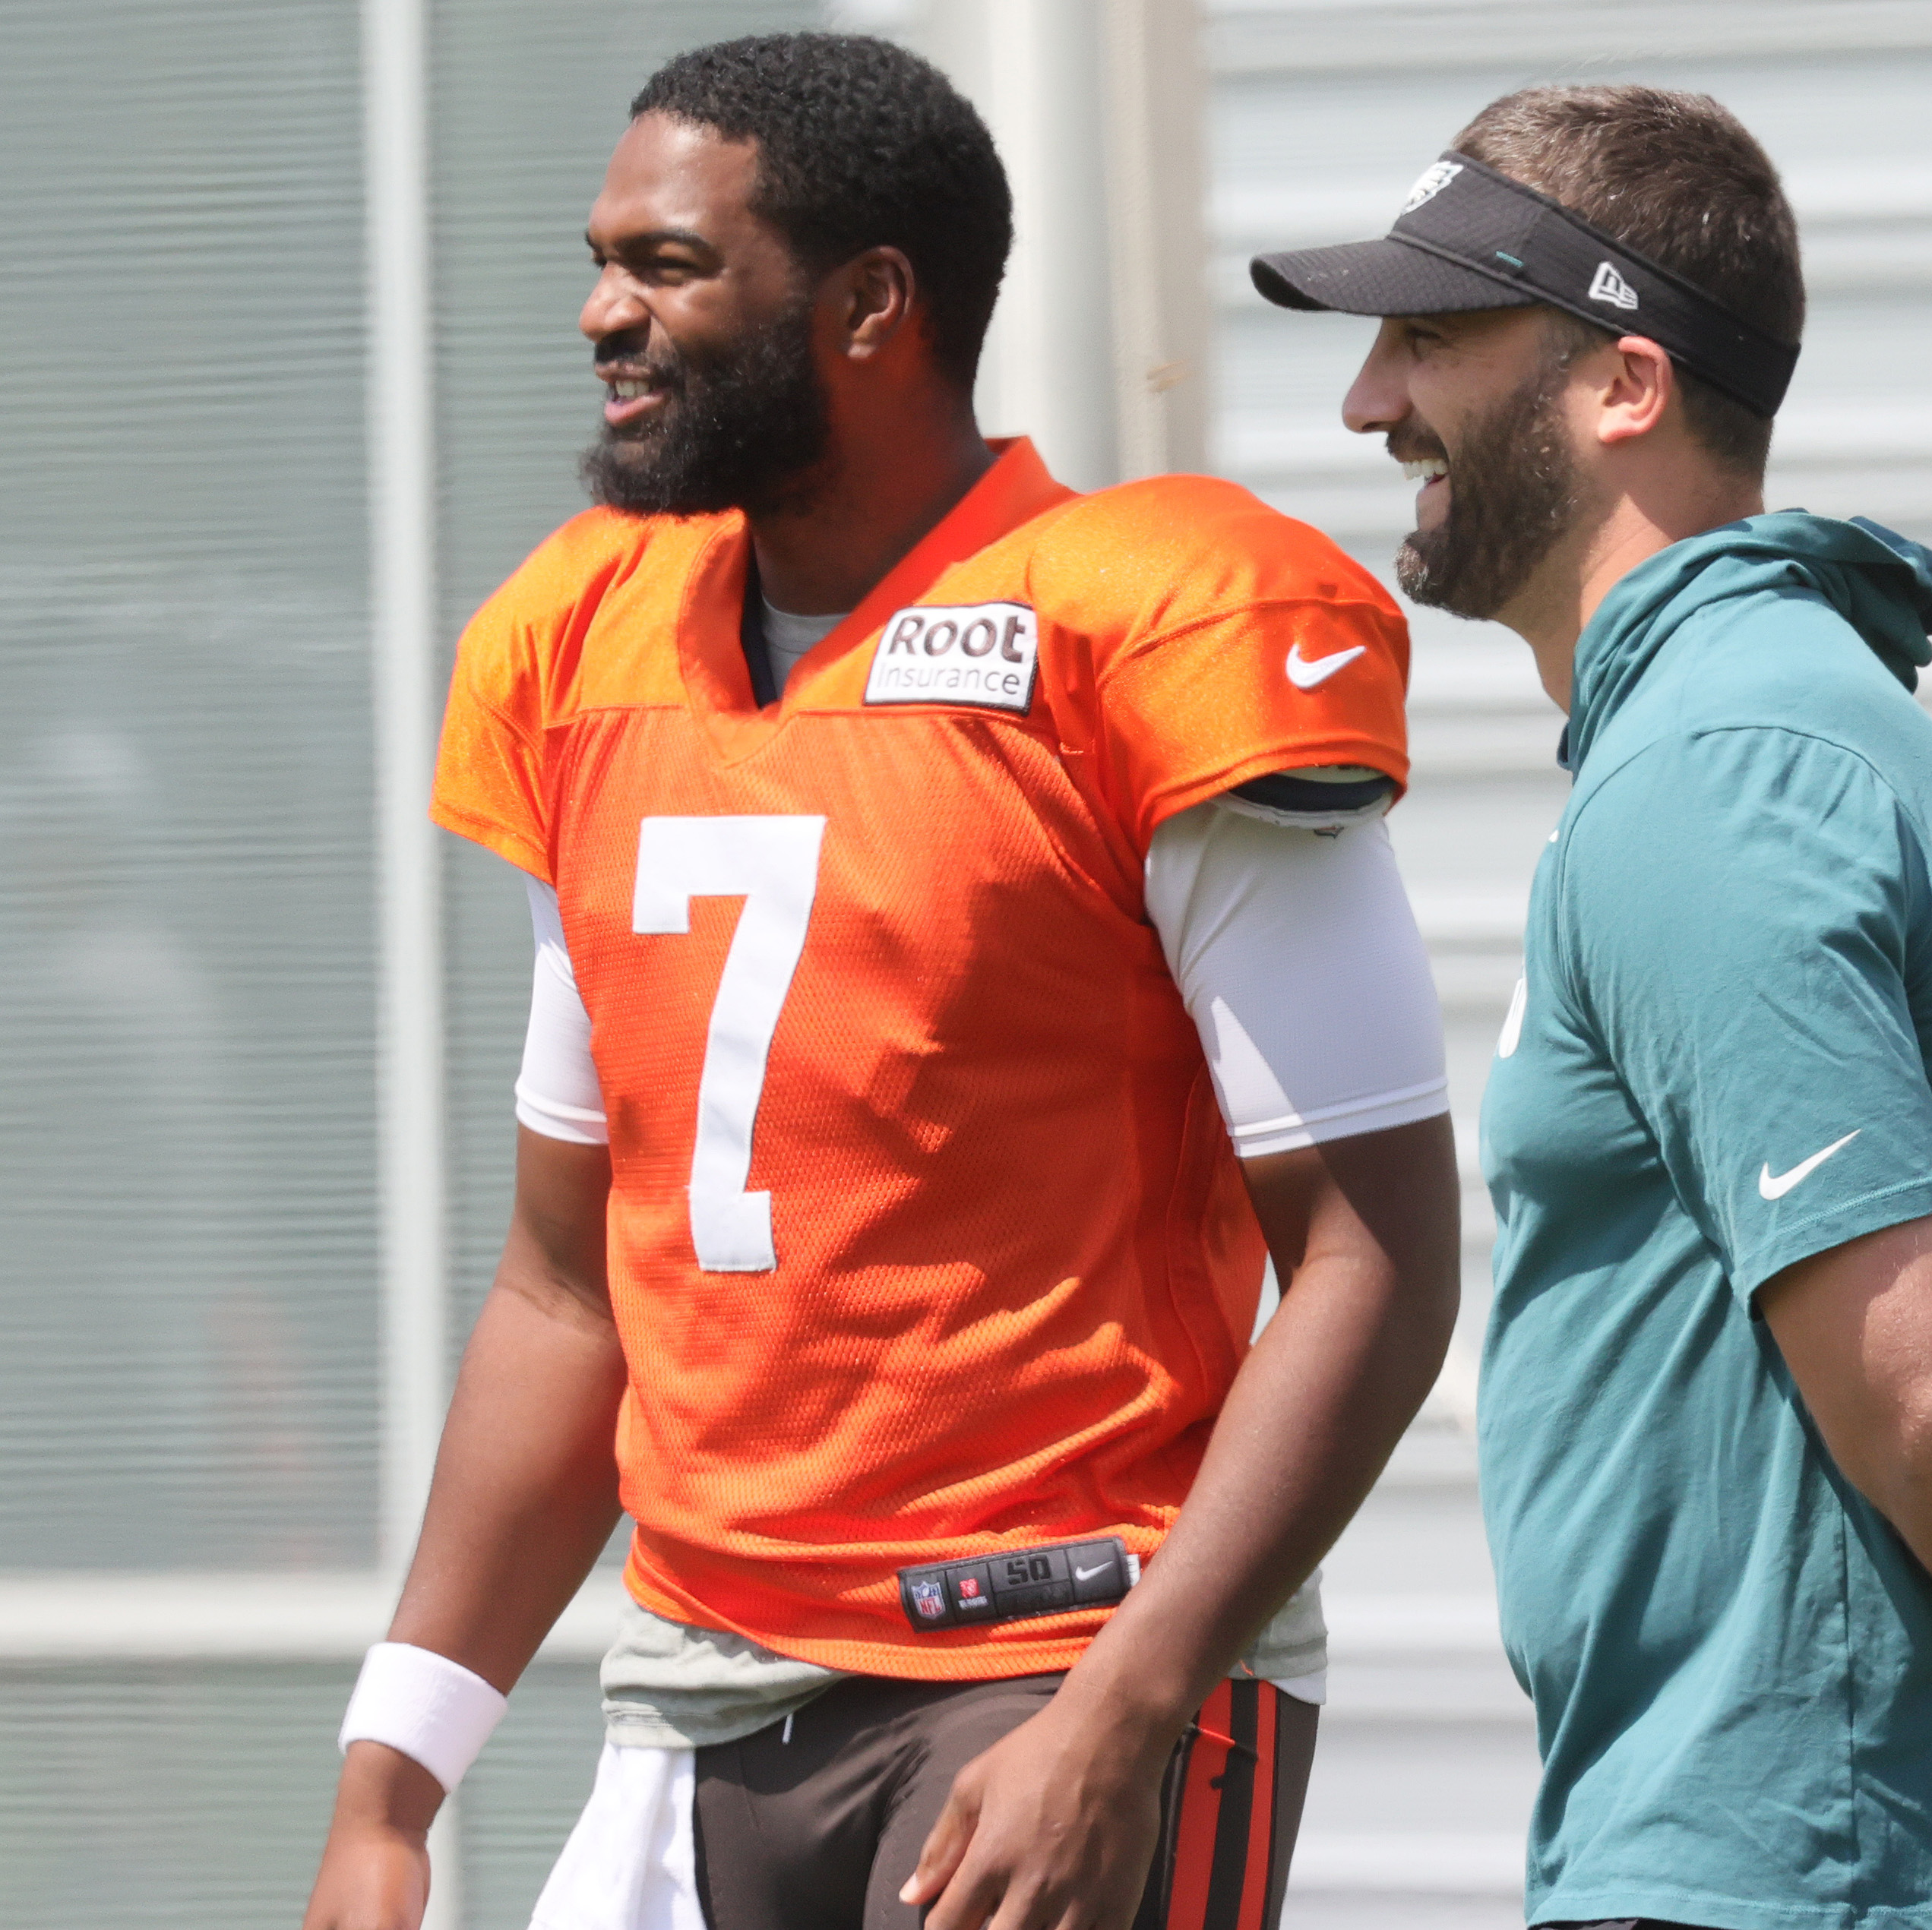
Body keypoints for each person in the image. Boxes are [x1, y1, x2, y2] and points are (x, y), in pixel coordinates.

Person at [302, 33, 1462, 1930]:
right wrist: (394, 1768)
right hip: (698, 1687)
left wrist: (1131, 1699)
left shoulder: (1141, 621)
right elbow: (568, 1274)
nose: (605, 311)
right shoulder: (583, 640)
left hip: (1059, 1646)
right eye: (603, 257)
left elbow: (1375, 1248)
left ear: (868, 306)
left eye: (669, 264)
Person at [1252, 84, 1932, 1930]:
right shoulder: (1737, 730)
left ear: (1624, 384)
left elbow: (1916, 1373)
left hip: (1807, 1868)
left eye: (1431, 336)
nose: (1370, 401)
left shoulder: (1718, 771)